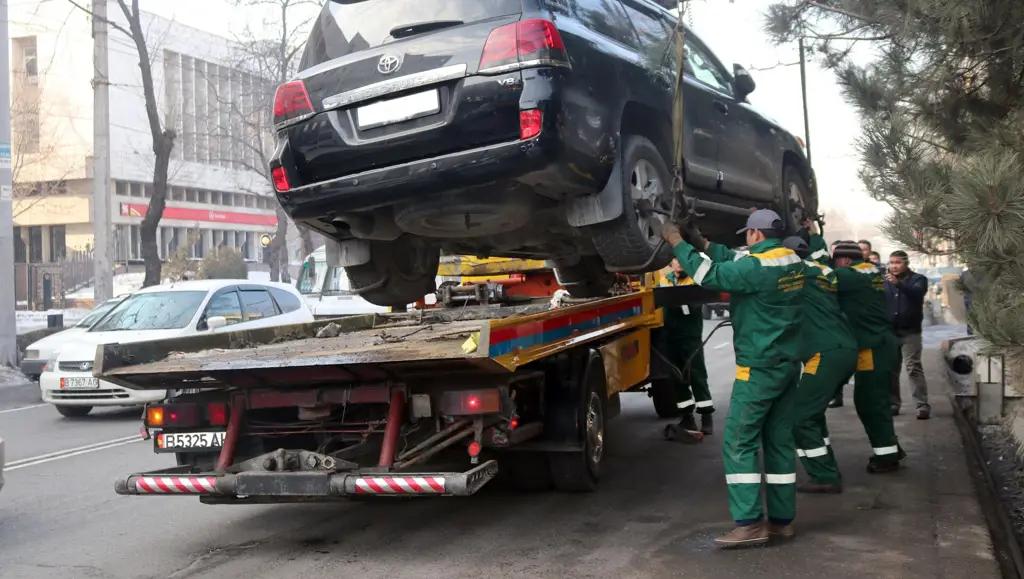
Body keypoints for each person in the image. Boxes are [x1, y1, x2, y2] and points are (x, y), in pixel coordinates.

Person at [662, 209, 803, 548]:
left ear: (754, 234)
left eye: (746, 235)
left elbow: (710, 274)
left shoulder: (754, 268)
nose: (745, 240)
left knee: (739, 441)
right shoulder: (790, 261)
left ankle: (750, 524)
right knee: (779, 440)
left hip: (760, 366)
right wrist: (701, 240)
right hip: (787, 365)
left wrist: (677, 242)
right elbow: (732, 258)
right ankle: (782, 523)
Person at [784, 232, 858, 494]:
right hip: (843, 348)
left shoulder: (796, 273)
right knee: (811, 413)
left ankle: (824, 475)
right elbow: (821, 252)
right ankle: (826, 466)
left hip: (825, 354)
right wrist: (812, 232)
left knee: (799, 418)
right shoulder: (824, 271)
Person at [832, 241, 905, 473]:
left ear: (843, 260)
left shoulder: (849, 276)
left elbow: (817, 279)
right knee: (876, 399)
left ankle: (886, 456)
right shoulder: (872, 270)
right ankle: (891, 447)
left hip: (873, 347)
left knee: (871, 401)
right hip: (881, 343)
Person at [657, 259, 715, 436]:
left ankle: (706, 417)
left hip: (690, 337)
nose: (679, 264)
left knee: (697, 374)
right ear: (671, 263)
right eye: (676, 260)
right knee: (677, 377)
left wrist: (678, 302)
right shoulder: (665, 279)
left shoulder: (693, 280)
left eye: (682, 260)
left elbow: (694, 307)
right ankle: (687, 416)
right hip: (670, 336)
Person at [885, 251, 930, 419]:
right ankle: (893, 403)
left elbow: (917, 294)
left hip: (910, 331)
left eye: (898, 262)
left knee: (913, 367)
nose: (894, 266)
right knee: (891, 369)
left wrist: (899, 284)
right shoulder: (883, 281)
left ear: (906, 263)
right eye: (891, 262)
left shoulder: (918, 279)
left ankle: (922, 405)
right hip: (890, 332)